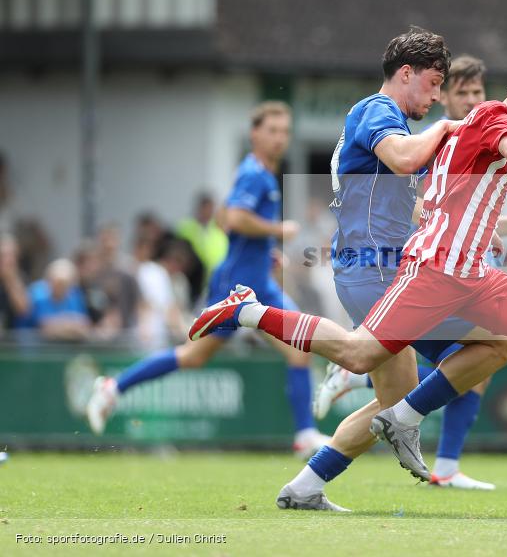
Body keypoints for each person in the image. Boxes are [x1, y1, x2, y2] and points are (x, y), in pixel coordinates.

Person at [191, 49, 507, 510]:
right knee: (359, 354)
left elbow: (458, 185)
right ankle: (248, 310)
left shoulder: (484, 128)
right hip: (434, 270)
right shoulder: (488, 117)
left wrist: (504, 208)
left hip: (473, 274)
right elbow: (500, 149)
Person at [313, 54, 507, 490]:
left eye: (458, 89)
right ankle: (258, 316)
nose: (440, 97)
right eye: (437, 85)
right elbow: (417, 187)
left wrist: (499, 226)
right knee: (492, 344)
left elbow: (443, 202)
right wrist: (447, 127)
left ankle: (305, 487)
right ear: (406, 74)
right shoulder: (381, 113)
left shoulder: (408, 130)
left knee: (397, 404)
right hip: (380, 268)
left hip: (382, 266)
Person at [86, 101, 330, 458]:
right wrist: (278, 229)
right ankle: (113, 387)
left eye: (285, 132)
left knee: (295, 349)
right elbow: (233, 218)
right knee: (202, 355)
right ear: (255, 134)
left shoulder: (262, 173)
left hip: (256, 282)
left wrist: (265, 250)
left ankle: (305, 434)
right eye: (273, 131)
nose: (280, 138)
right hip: (239, 288)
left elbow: (229, 223)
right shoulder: (254, 173)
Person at [20, 258, 91, 341]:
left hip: (63, 348)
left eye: (65, 283)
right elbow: (44, 326)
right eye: (58, 282)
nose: (61, 287)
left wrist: (60, 325)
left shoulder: (74, 295)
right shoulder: (37, 294)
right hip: (32, 349)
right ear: (48, 280)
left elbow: (84, 325)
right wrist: (70, 323)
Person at [0, 235, 30, 332]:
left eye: (11, 255)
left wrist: (10, 280)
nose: (8, 260)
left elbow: (23, 310)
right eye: (3, 256)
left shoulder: (21, 278)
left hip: (13, 338)